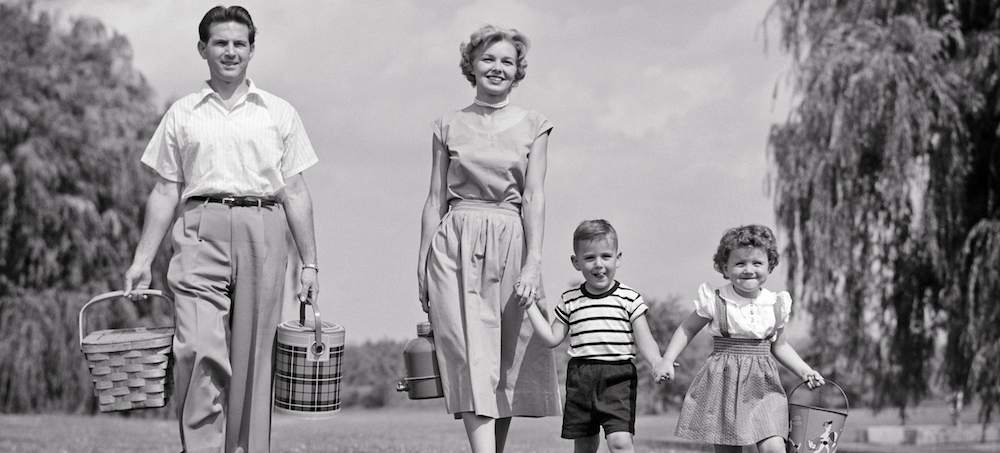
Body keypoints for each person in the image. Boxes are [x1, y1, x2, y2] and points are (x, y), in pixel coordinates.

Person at [122, 6, 320, 453]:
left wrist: (310, 262)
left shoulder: (279, 112)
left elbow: (296, 190)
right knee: (194, 346)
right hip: (198, 227)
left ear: (252, 50)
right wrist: (141, 260)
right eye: (220, 43)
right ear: (203, 49)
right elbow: (164, 189)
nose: (230, 51)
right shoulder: (182, 113)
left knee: (253, 357)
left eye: (239, 43)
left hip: (264, 228)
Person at [417, 24, 561, 453]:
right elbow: (433, 199)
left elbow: (534, 195)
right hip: (454, 243)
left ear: (518, 71)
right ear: (471, 65)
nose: (497, 68)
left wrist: (535, 261)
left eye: (507, 61)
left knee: (505, 360)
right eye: (488, 59)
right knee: (467, 355)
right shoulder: (447, 124)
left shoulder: (536, 124)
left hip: (512, 240)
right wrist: (422, 262)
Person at [653, 225, 824, 453]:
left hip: (764, 383)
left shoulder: (776, 304)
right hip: (724, 380)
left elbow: (780, 345)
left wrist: (804, 370)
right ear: (725, 267)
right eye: (740, 263)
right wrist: (667, 359)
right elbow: (688, 328)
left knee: (774, 445)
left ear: (770, 265)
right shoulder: (716, 300)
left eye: (757, 263)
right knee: (728, 450)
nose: (748, 270)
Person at [524, 220, 662, 453]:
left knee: (620, 442)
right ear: (576, 262)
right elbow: (551, 338)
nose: (599, 265)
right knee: (585, 445)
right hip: (581, 378)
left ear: (618, 258)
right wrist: (529, 306)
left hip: (618, 378)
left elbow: (644, 338)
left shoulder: (629, 298)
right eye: (589, 258)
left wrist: (658, 361)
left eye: (606, 256)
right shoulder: (570, 300)